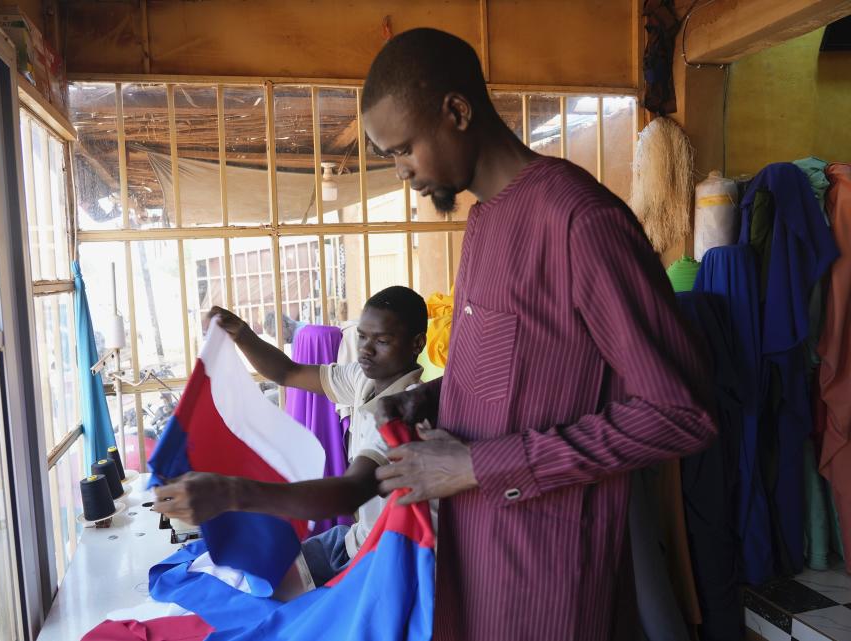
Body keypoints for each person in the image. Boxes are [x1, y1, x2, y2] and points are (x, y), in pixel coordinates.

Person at [363, 28, 717, 640]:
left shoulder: (581, 222)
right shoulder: (483, 223)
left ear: (456, 111)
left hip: (550, 584)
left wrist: (477, 464)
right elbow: (521, 374)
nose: (402, 174)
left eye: (403, 150)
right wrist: (428, 399)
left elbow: (680, 413)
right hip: (475, 564)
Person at [153, 286, 430, 587]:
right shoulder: (365, 378)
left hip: (381, 556)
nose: (366, 349)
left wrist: (231, 492)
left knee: (256, 595)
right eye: (362, 337)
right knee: (242, 575)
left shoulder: (407, 409)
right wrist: (243, 335)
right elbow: (289, 372)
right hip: (353, 538)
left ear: (417, 344)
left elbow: (351, 491)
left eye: (382, 341)